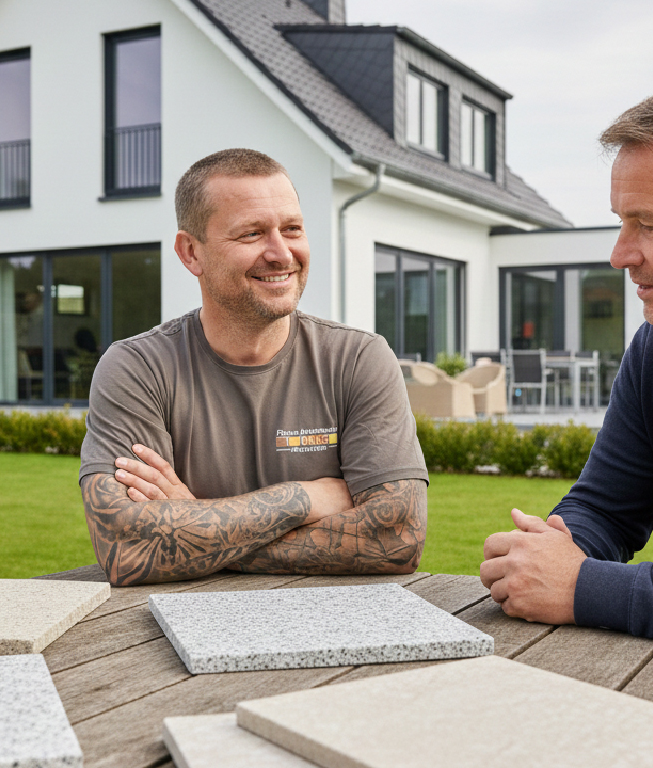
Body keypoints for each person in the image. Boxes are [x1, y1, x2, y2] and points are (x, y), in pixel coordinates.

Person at [480, 74, 653, 650]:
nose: (620, 255)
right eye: (620, 221)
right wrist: (552, 548)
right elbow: (608, 506)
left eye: (650, 225)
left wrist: (588, 587)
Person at [79, 149, 429, 587]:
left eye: (292, 229)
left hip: (337, 634)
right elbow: (126, 547)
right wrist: (302, 498)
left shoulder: (358, 359)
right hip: (166, 638)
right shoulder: (138, 368)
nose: (281, 253)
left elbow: (397, 537)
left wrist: (190, 526)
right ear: (191, 253)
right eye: (251, 234)